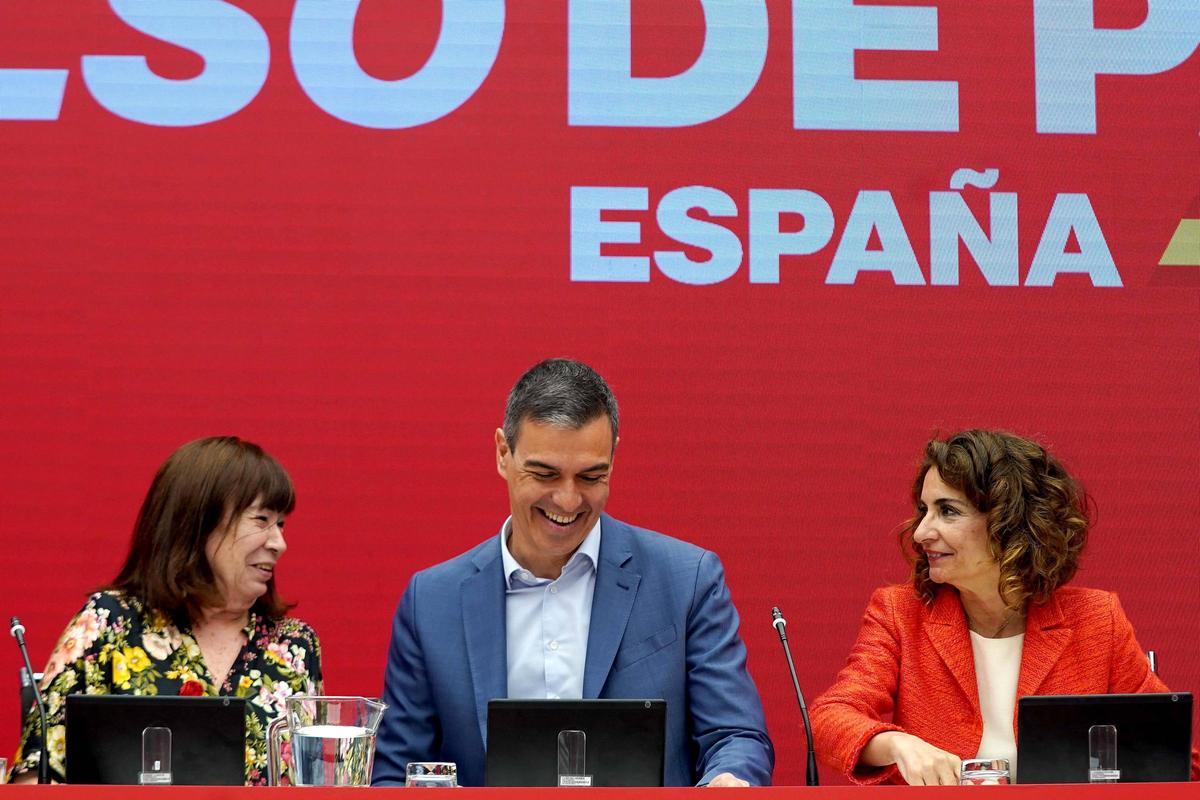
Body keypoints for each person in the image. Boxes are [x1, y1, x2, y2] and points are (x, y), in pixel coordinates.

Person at [372, 358, 773, 787]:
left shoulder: (687, 580)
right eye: (544, 474)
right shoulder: (432, 602)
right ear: (503, 453)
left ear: (614, 458)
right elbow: (397, 772)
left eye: (590, 476)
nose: (567, 501)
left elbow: (734, 736)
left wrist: (729, 779)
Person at [810, 429, 1200, 785]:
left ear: (1009, 523)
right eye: (924, 510)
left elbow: (1172, 755)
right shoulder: (898, 612)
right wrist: (897, 744)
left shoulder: (1097, 621)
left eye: (948, 511)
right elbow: (829, 718)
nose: (921, 532)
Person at [10, 436, 322, 785]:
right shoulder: (107, 624)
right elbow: (34, 782)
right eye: (262, 519)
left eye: (281, 524)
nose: (279, 543)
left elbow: (314, 785)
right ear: (198, 524)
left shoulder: (294, 645)